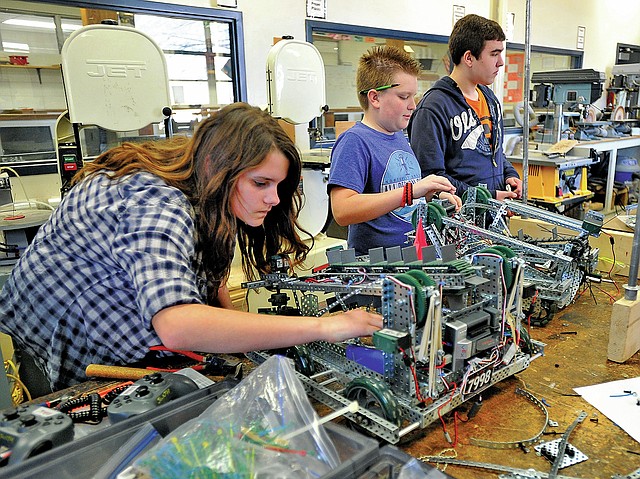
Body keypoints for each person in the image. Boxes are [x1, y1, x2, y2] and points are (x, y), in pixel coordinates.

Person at [0, 103, 383, 391]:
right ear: (223, 169)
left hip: (118, 325)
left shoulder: (209, 183)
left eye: (279, 187)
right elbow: (178, 324)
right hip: (60, 342)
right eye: (261, 184)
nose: (273, 199)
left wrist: (239, 344)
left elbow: (205, 269)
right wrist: (321, 327)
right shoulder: (156, 202)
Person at [328, 46, 461, 257]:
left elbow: (401, 200)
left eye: (413, 96)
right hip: (376, 270)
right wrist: (410, 192)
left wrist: (431, 196)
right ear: (375, 98)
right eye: (403, 97)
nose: (413, 106)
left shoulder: (399, 136)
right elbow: (342, 211)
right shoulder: (355, 141)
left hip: (410, 257)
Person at [409, 14, 523, 201]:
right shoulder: (433, 108)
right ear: (469, 58)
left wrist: (509, 174)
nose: (501, 62)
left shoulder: (490, 99)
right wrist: (487, 197)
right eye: (494, 54)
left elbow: (494, 153)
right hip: (455, 222)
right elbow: (431, 178)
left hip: (491, 218)